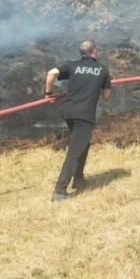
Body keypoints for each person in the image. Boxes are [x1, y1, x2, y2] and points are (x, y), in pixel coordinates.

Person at [44, 40, 112, 202]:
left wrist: (48, 93)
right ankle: (59, 192)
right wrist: (102, 84)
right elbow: (106, 96)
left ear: (82, 53)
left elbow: (51, 73)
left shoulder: (73, 65)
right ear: (94, 52)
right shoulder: (103, 70)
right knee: (75, 152)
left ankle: (79, 178)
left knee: (83, 143)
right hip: (84, 116)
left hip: (69, 113)